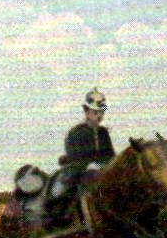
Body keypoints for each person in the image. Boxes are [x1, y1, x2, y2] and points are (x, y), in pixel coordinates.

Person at [49, 88, 117, 222]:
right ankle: (67, 217)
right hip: (80, 171)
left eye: (101, 112)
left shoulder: (103, 133)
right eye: (95, 112)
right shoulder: (75, 132)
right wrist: (89, 166)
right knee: (66, 190)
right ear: (87, 112)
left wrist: (108, 164)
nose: (99, 116)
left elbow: (110, 155)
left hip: (101, 172)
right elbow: (74, 157)